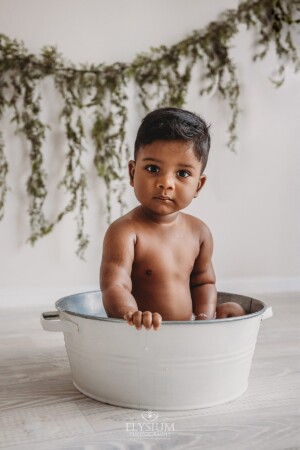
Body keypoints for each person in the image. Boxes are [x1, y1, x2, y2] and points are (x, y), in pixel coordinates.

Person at [100, 107, 245, 330]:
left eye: (182, 174)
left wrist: (205, 318)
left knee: (234, 309)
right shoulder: (126, 232)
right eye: (152, 168)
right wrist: (131, 314)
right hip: (144, 336)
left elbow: (203, 282)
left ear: (198, 185)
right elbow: (115, 286)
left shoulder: (199, 232)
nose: (166, 182)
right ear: (132, 173)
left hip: (188, 332)